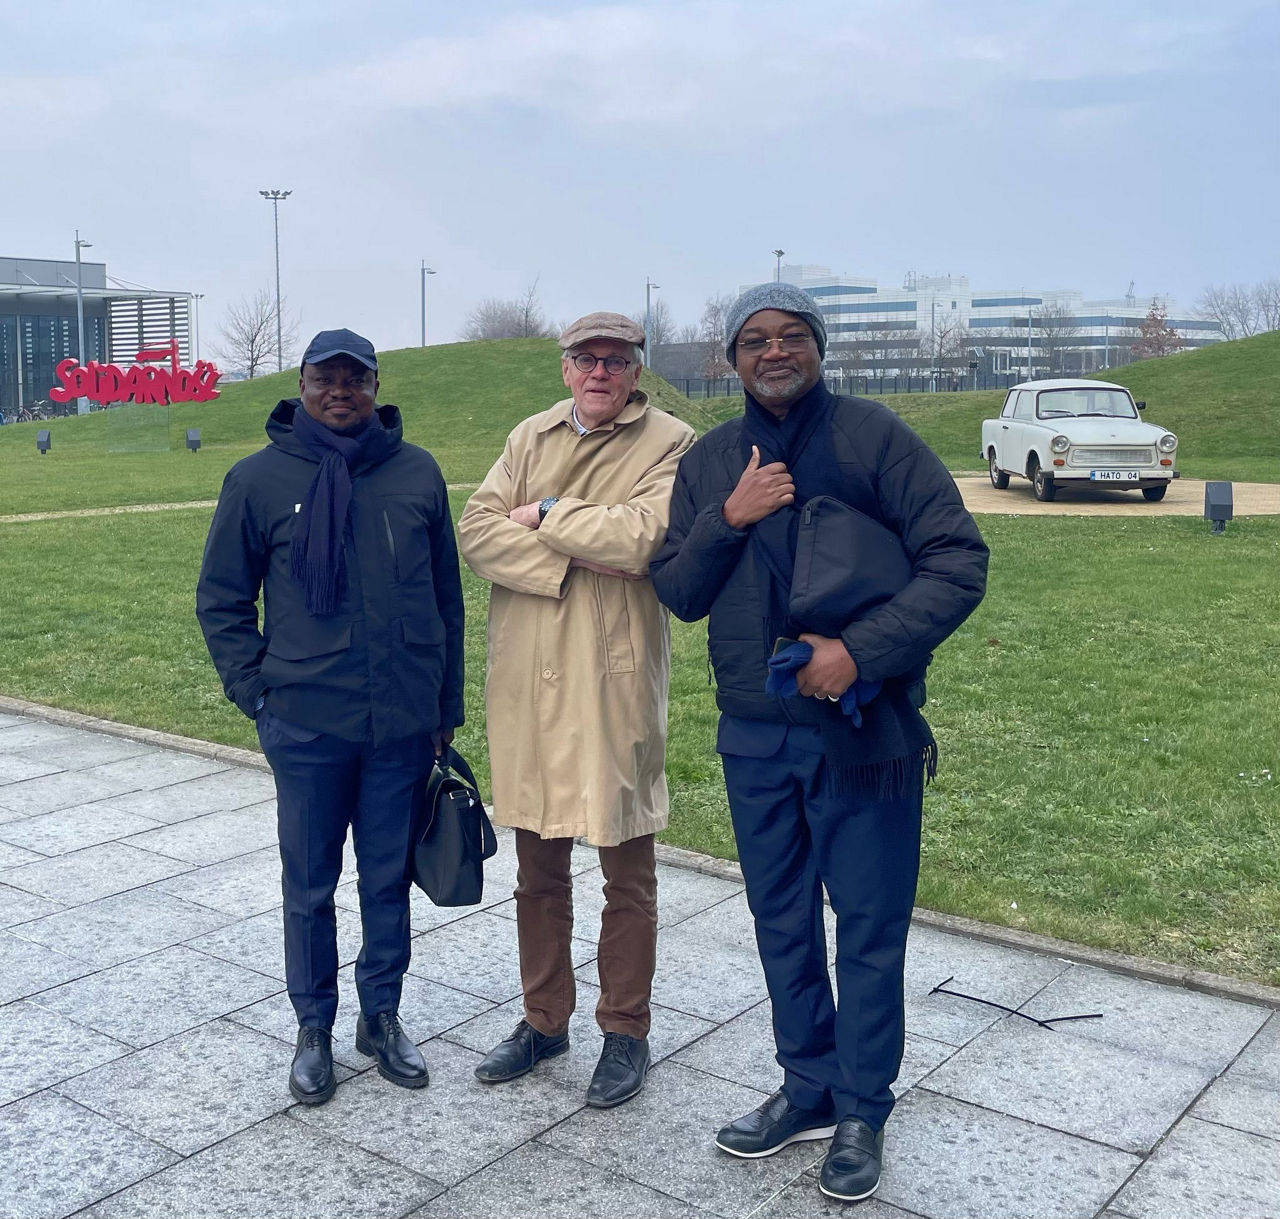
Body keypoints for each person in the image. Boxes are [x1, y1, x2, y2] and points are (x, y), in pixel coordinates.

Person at [650, 284, 988, 1202]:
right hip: (755, 735)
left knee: (869, 926)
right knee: (782, 921)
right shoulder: (711, 460)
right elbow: (677, 589)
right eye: (755, 339)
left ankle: (863, 1107)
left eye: (792, 335)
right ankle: (807, 1087)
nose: (774, 351)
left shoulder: (875, 438)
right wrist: (730, 516)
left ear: (819, 347)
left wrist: (858, 651)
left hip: (864, 733)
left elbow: (959, 558)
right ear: (731, 359)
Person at [197, 328, 464, 1106]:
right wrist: (257, 694)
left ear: (376, 386)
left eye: (356, 377)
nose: (341, 390)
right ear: (302, 385)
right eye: (326, 377)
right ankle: (313, 1027)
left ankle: (381, 1015)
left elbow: (445, 600)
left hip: (400, 724)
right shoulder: (258, 479)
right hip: (306, 723)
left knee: (388, 878)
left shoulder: (416, 473)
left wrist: (444, 708)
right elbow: (221, 599)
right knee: (310, 885)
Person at [458, 312, 694, 1108]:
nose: (600, 371)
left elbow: (643, 539)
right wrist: (573, 558)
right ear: (565, 368)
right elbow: (477, 532)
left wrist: (547, 511)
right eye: (586, 358)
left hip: (608, 681)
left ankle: (625, 1028)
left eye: (615, 360)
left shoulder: (669, 441)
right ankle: (543, 1019)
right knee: (537, 869)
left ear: (636, 371)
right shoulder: (528, 435)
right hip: (530, 678)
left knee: (626, 867)